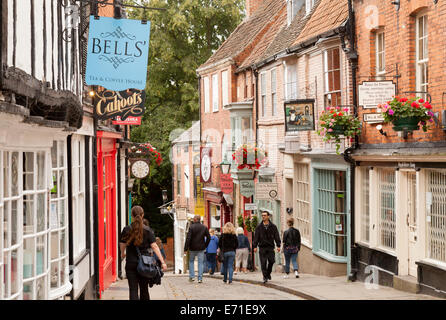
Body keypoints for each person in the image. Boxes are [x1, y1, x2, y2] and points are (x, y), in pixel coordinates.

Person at [119, 206, 167, 300]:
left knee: (133, 290)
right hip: (145, 264)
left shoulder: (126, 229)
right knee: (144, 289)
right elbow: (154, 246)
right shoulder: (148, 230)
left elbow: (122, 244)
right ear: (143, 215)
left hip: (131, 263)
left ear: (132, 216)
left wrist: (122, 253)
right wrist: (163, 262)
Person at [252, 211, 281, 284]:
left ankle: (268, 273)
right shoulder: (259, 227)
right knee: (263, 262)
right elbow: (256, 237)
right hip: (262, 247)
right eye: (262, 215)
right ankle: (265, 277)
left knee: (272, 261)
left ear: (268, 216)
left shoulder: (273, 226)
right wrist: (254, 246)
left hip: (270, 247)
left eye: (265, 215)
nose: (263, 217)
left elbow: (276, 236)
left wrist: (278, 245)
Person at [184, 215, 211, 283]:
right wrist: (205, 245)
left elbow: (188, 238)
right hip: (201, 248)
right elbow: (209, 237)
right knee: (200, 263)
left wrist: (185, 248)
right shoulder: (204, 227)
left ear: (195, 219)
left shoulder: (191, 227)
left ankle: (192, 277)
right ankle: (200, 278)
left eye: (193, 219)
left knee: (191, 262)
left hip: (192, 248)